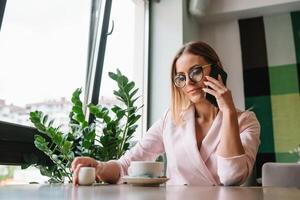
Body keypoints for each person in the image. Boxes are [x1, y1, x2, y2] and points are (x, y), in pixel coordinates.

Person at [72, 41, 260, 186]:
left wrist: (227, 112)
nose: (189, 83)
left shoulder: (246, 122)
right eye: (181, 78)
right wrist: (99, 166)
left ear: (216, 68)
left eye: (195, 72)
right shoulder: (171, 119)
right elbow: (126, 164)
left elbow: (231, 177)